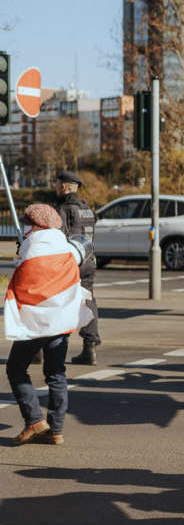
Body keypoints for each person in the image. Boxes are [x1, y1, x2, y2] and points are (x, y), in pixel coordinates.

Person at [5, 204, 91, 446]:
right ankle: (55, 429)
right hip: (61, 320)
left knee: (15, 368)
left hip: (36, 320)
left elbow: (24, 278)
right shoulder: (63, 244)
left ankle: (34, 420)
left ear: (35, 224)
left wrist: (20, 256)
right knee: (56, 373)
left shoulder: (32, 244)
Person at [52, 170, 101, 365]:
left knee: (54, 302)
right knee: (87, 302)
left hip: (70, 263)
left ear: (63, 186)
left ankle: (44, 348)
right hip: (89, 261)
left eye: (57, 185)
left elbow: (58, 237)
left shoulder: (64, 209)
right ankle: (90, 348)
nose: (55, 188)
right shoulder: (86, 208)